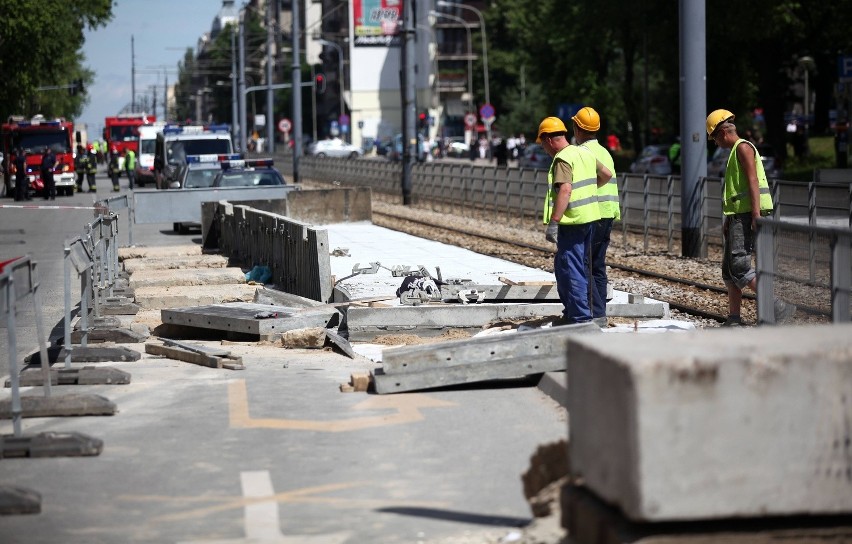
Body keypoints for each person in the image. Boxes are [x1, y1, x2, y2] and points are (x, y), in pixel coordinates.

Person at [706, 109, 795, 326]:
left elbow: (753, 182)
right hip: (738, 216)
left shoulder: (743, 148)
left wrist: (755, 214)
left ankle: (777, 306)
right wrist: (729, 219)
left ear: (723, 132)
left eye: (715, 138)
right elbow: (739, 190)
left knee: (740, 267)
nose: (716, 143)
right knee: (729, 270)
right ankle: (734, 319)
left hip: (748, 215)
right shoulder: (736, 151)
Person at [538, 116, 613, 325]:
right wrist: (588, 191)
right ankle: (574, 314)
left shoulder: (563, 158)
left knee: (573, 270)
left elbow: (566, 189)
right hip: (590, 219)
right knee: (569, 267)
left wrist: (555, 221)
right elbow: (606, 174)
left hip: (572, 222)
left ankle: (580, 319)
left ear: (549, 140)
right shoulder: (583, 153)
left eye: (542, 144)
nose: (544, 149)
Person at [572, 106, 619, 327]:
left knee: (584, 265)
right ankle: (601, 313)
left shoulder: (583, 153)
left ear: (578, 128)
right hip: (608, 213)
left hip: (593, 214)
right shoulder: (604, 152)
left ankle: (596, 314)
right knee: (597, 265)